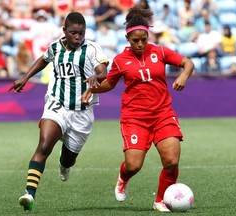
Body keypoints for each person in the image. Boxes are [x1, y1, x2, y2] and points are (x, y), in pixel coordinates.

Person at [82, 6, 195, 212]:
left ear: (148, 35)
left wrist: (183, 76)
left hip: (163, 114)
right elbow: (110, 83)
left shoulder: (160, 51)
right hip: (134, 118)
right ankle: (123, 177)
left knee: (171, 161)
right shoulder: (120, 60)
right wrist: (93, 89)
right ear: (128, 38)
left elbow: (187, 63)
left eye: (144, 38)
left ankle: (160, 200)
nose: (141, 43)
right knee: (134, 165)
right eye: (136, 40)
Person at [8, 11, 109, 211]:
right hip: (57, 105)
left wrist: (97, 78)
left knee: (68, 158)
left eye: (81, 33)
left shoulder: (92, 49)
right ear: (64, 31)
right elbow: (44, 59)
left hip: (82, 112)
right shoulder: (55, 47)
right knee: (44, 146)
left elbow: (103, 71)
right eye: (73, 33)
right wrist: (26, 77)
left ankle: (65, 165)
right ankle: (29, 194)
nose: (77, 37)